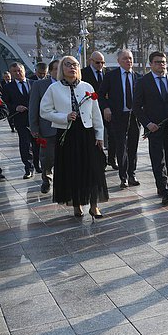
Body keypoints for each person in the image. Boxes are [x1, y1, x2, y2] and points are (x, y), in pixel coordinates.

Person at [40, 56, 107, 218]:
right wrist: (64, 117)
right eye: (68, 65)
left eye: (75, 65)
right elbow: (44, 111)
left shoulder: (87, 86)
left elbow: (95, 113)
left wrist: (99, 135)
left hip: (87, 133)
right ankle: (76, 205)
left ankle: (94, 205)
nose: (72, 68)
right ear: (62, 68)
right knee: (73, 169)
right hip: (67, 134)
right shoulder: (54, 88)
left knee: (92, 169)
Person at [133, 51, 168, 206]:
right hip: (154, 128)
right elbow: (136, 107)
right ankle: (164, 190)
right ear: (150, 64)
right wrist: (147, 124)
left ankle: (162, 183)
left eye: (163, 62)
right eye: (157, 62)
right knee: (158, 160)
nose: (160, 65)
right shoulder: (143, 82)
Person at [99, 49, 141, 189]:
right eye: (125, 59)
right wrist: (106, 108)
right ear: (118, 61)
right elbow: (101, 94)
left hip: (134, 116)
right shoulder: (111, 76)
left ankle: (132, 174)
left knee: (133, 147)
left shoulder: (139, 77)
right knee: (121, 147)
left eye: (130, 58)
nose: (128, 61)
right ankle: (123, 177)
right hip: (118, 116)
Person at [2, 62, 40, 178]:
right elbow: (5, 103)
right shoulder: (8, 87)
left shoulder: (34, 84)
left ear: (24, 70)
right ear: (11, 73)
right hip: (20, 119)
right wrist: (15, 108)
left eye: (20, 70)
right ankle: (28, 168)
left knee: (37, 143)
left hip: (35, 119)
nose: (18, 73)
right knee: (25, 144)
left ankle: (37, 165)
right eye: (15, 71)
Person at [29, 59, 59, 193]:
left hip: (66, 128)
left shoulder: (69, 84)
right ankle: (46, 179)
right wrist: (34, 127)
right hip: (47, 128)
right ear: (50, 71)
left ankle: (62, 181)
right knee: (47, 157)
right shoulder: (39, 85)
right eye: (56, 69)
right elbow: (33, 107)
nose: (59, 72)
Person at [81, 51, 115, 169]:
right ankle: (101, 160)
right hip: (91, 110)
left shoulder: (109, 73)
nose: (100, 65)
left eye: (102, 62)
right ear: (91, 61)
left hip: (107, 109)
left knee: (112, 135)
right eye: (97, 62)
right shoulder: (83, 73)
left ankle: (112, 159)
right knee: (96, 136)